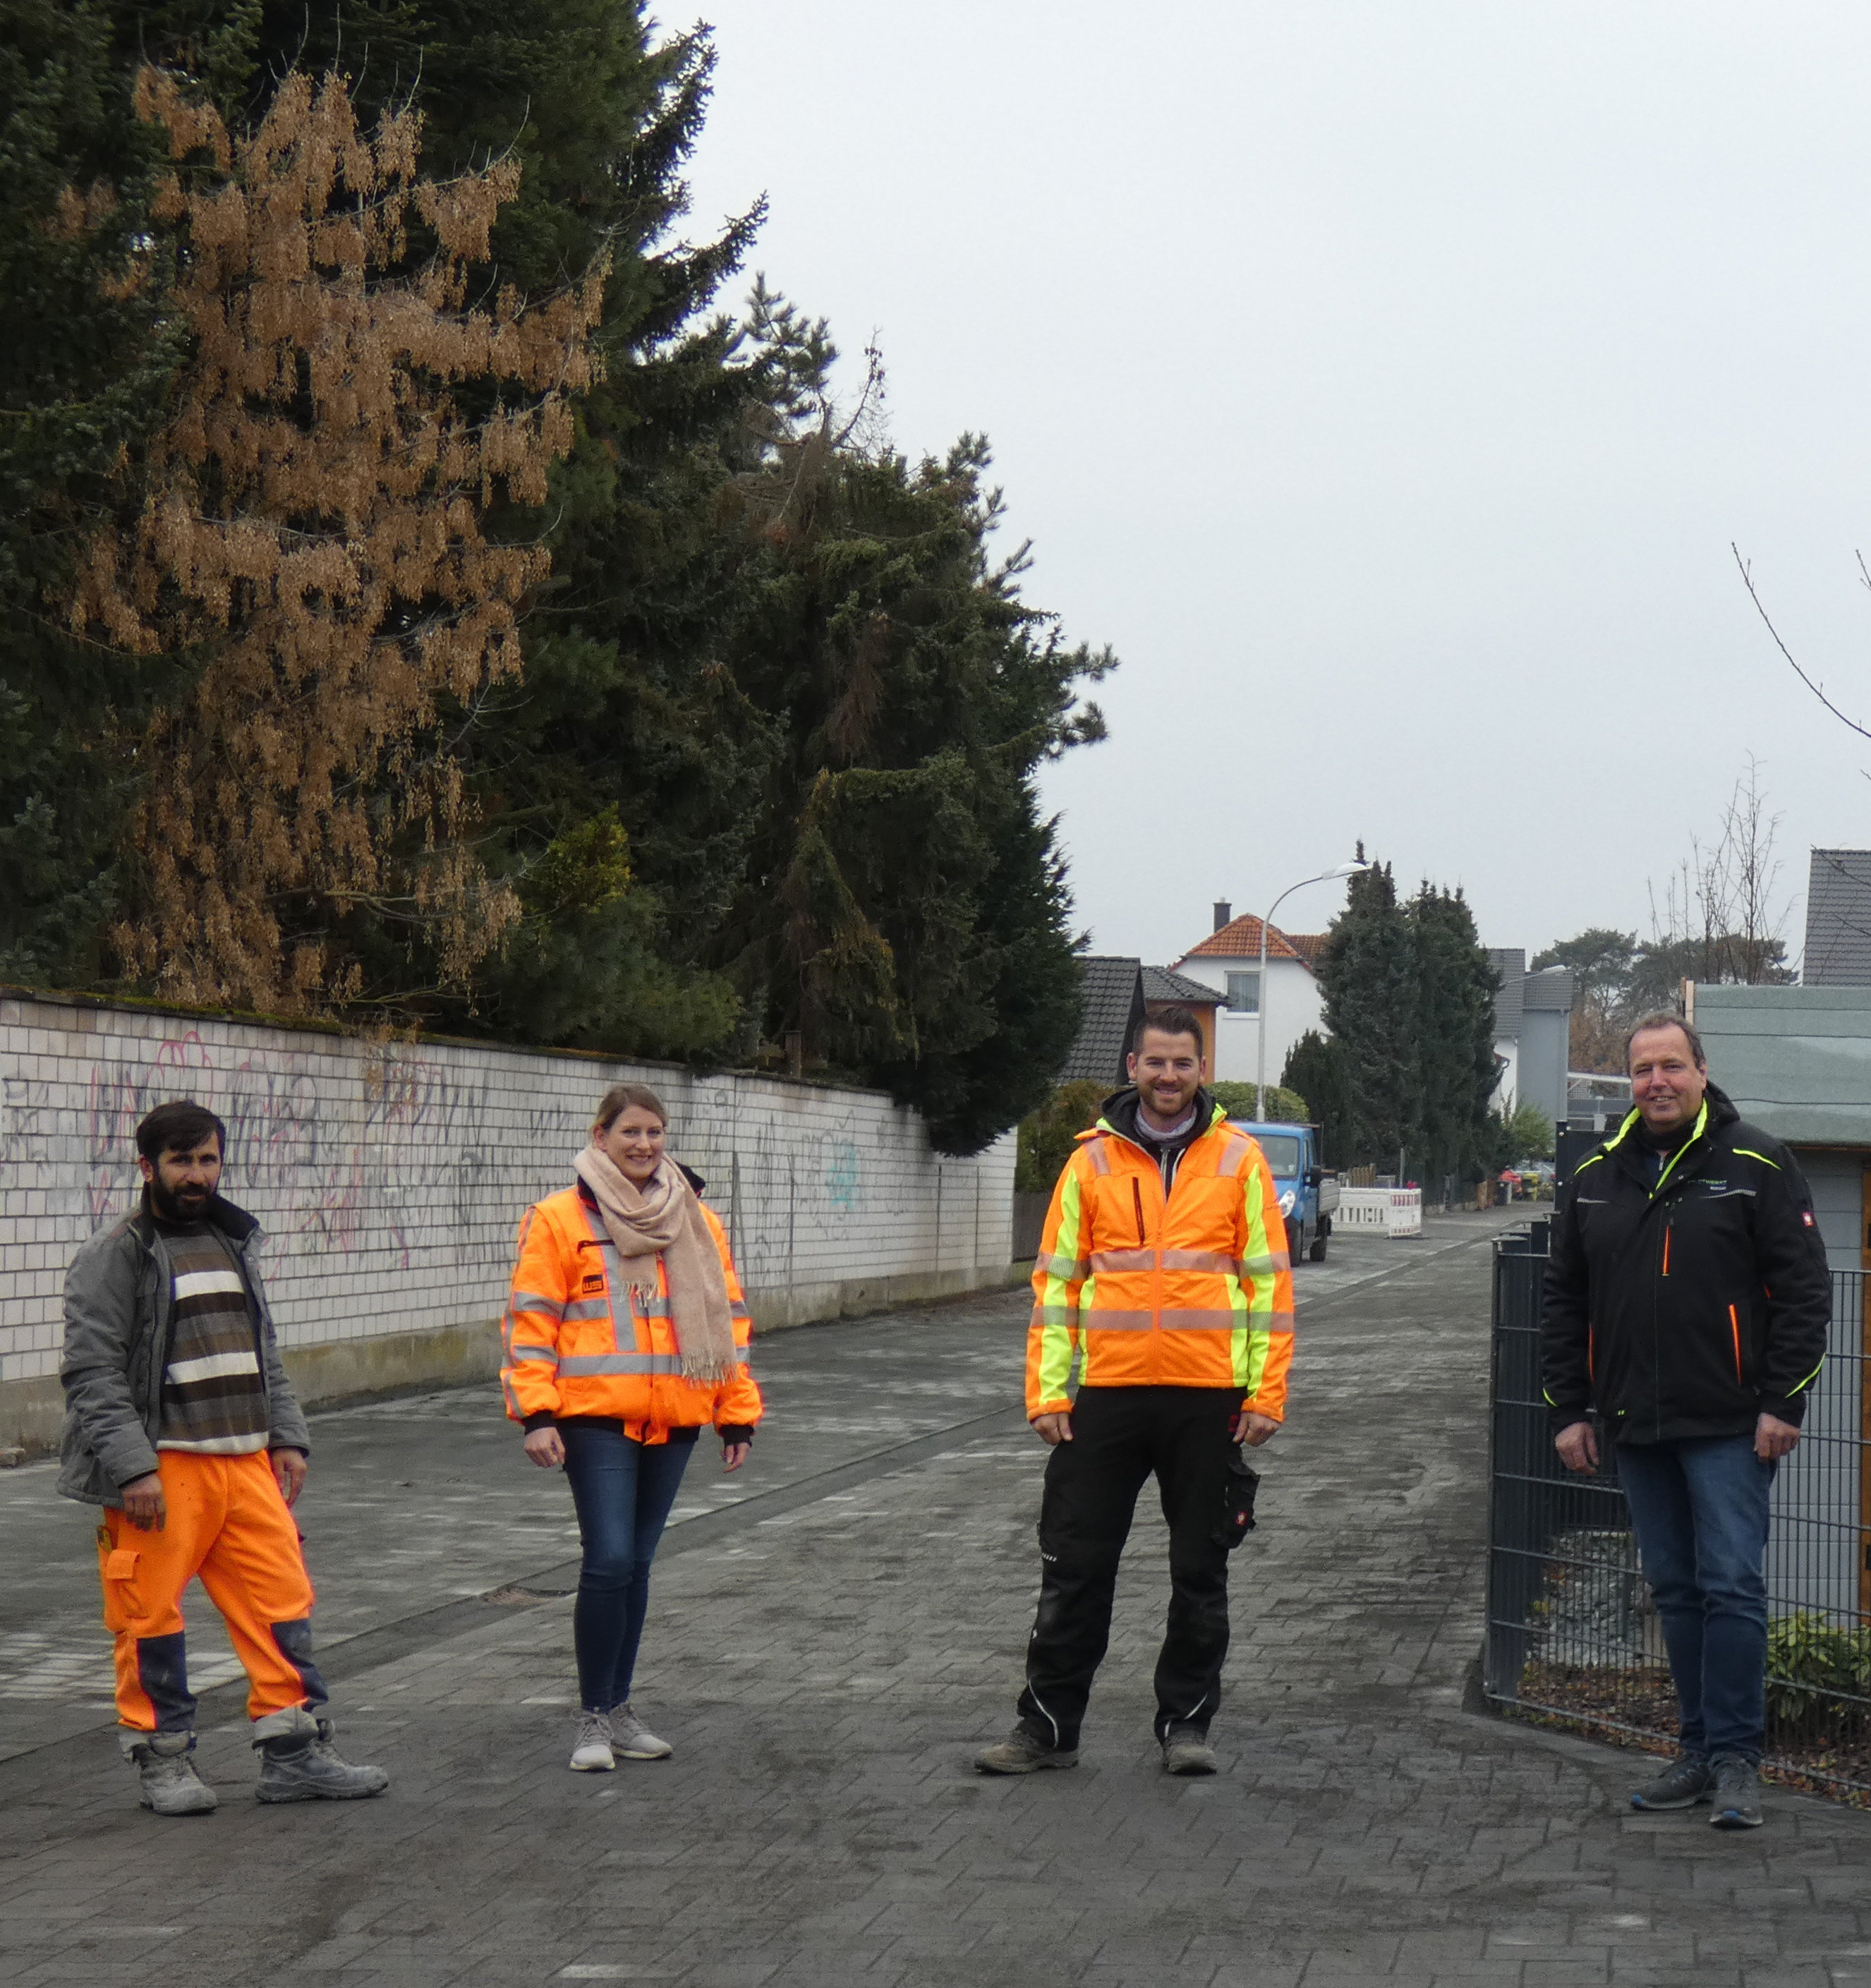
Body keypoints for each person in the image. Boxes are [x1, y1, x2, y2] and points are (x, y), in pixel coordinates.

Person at [975, 1006, 1293, 1778]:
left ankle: (1186, 1726)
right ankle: (1047, 1727)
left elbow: (1269, 1288)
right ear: (1132, 1066)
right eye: (1156, 1062)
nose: (1169, 1077)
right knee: (1075, 1565)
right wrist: (1048, 1393)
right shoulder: (1090, 1163)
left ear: (1201, 1070)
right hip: (1107, 1397)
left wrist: (1264, 1394)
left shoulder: (1240, 1160)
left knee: (1199, 1570)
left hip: (1209, 1397)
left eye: (1182, 1064)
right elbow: (1056, 1284)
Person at [59, 1099, 389, 1817]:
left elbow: (261, 1346)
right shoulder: (117, 1252)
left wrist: (288, 1434)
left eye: (208, 1159)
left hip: (246, 1465)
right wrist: (134, 1468)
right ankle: (165, 1759)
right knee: (149, 1617)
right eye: (181, 1161)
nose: (197, 1174)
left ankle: (294, 1752)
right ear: (147, 1167)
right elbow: (92, 1372)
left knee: (282, 1606)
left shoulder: (234, 1238)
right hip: (162, 1470)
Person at [1542, 1012, 1830, 1829]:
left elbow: (1805, 1291)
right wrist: (1569, 1409)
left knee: (1731, 1587)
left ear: (1703, 1072)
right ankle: (1698, 1752)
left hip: (1734, 1425)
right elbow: (1563, 1301)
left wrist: (1784, 1400)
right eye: (1642, 1070)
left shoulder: (1756, 1163)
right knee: (1675, 1591)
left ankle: (1739, 1760)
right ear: (1628, 1083)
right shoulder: (1596, 1176)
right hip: (1636, 1424)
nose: (1656, 1082)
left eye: (1672, 1066)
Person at [502, 1082, 763, 1771]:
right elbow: (531, 1324)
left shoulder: (698, 1221)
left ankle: (620, 1709)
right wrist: (535, 1411)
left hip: (676, 1414)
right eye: (630, 1133)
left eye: (655, 1132)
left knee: (639, 1563)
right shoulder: (557, 1219)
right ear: (600, 1137)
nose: (644, 1145)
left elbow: (728, 1324)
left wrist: (736, 1415)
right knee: (610, 1557)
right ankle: (593, 1717)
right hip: (593, 1417)